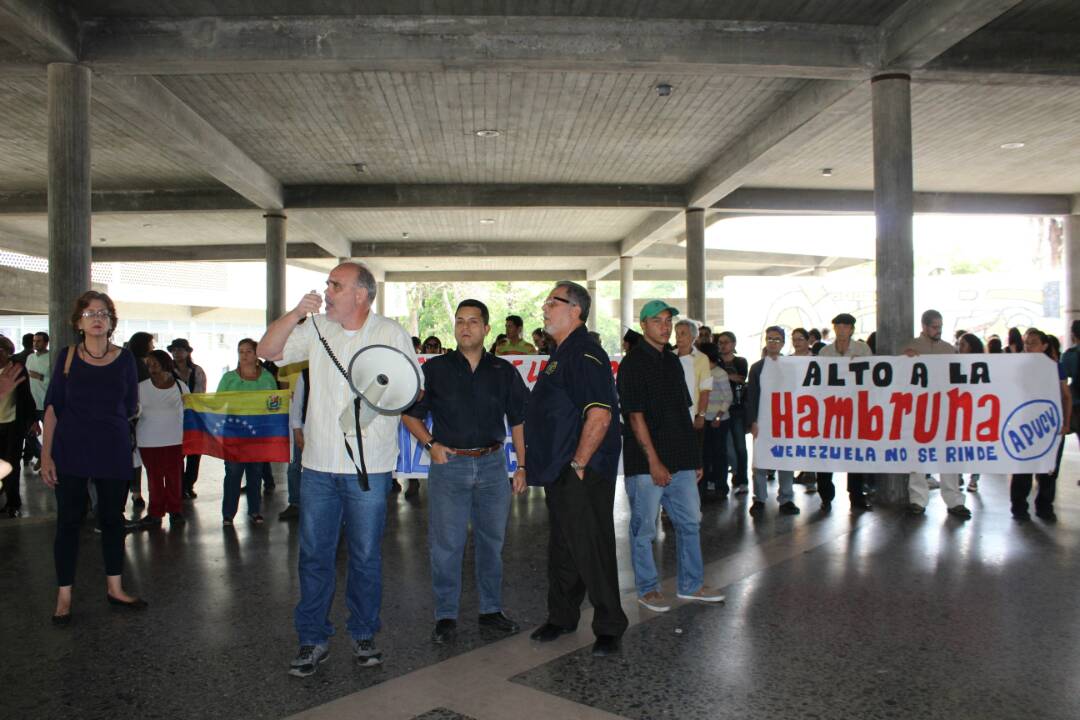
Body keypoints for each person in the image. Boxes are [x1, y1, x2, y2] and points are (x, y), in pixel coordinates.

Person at [258, 262, 421, 677]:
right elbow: (268, 351)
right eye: (328, 284)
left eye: (336, 285)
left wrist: (379, 393)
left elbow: (415, 388)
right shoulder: (316, 329)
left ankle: (364, 632)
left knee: (365, 555)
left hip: (370, 467)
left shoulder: (390, 333)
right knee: (314, 555)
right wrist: (296, 313)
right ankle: (312, 638)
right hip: (317, 467)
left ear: (361, 295)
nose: (326, 291)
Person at [402, 299, 528, 644]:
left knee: (492, 543)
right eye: (459, 321)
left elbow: (518, 419)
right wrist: (430, 445)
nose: (465, 327)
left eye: (473, 321)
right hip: (450, 467)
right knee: (446, 546)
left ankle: (490, 610)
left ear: (487, 329)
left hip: (492, 467)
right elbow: (409, 413)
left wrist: (522, 465)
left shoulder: (504, 371)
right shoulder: (436, 369)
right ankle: (445, 616)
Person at [525, 281, 627, 657]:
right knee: (564, 548)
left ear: (575, 311)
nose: (545, 307)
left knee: (591, 546)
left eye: (553, 301)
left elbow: (599, 415)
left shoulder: (585, 353)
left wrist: (580, 462)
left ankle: (610, 626)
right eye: (547, 301)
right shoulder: (562, 353)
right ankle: (562, 616)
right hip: (562, 471)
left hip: (580, 470)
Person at [40, 291, 146, 624]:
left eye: (103, 313)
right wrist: (46, 456)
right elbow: (53, 407)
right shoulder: (67, 357)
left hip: (112, 449)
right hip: (70, 450)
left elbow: (131, 405)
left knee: (113, 519)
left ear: (112, 321)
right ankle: (64, 594)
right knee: (68, 522)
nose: (97, 318)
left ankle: (115, 587)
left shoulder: (126, 359)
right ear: (78, 322)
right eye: (89, 313)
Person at [617, 300, 726, 614]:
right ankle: (648, 589)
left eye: (668, 321)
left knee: (690, 523)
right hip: (647, 463)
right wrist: (653, 461)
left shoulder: (673, 362)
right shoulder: (633, 364)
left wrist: (694, 459)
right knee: (644, 529)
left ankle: (691, 584)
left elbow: (683, 413)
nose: (665, 327)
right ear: (644, 325)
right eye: (657, 321)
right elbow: (634, 416)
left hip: (680, 459)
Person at [902, 310, 971, 520]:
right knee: (918, 455)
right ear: (924, 326)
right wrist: (905, 360)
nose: (938, 330)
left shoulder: (948, 350)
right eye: (934, 327)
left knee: (949, 455)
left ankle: (955, 500)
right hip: (919, 409)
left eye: (940, 327)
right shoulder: (910, 348)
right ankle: (918, 499)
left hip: (944, 408)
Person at [216, 338, 278, 525]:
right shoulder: (229, 378)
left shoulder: (267, 378)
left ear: (256, 353)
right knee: (233, 473)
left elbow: (274, 404)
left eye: (248, 351)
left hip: (258, 435)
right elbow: (218, 403)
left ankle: (255, 510)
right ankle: (228, 514)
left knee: (256, 473)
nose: (244, 355)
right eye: (240, 351)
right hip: (234, 434)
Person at [1010, 328, 1070, 522]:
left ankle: (1045, 506)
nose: (1028, 346)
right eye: (1026, 342)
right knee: (1022, 469)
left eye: (1033, 342)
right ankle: (1019, 507)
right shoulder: (1017, 366)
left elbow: (1065, 396)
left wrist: (1066, 423)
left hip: (1049, 425)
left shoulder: (1055, 367)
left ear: (1044, 346)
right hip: (1024, 422)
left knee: (1048, 469)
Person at [817, 314, 873, 512]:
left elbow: (871, 376)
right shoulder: (825, 352)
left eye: (845, 327)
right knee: (825, 454)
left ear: (851, 329)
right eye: (838, 327)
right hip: (830, 409)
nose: (841, 330)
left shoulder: (862, 349)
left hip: (855, 408)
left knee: (855, 454)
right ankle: (825, 495)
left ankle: (856, 495)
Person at [746, 326, 801, 517]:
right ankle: (759, 499)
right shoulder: (757, 368)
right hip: (763, 421)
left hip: (785, 421)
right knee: (760, 461)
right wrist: (752, 421)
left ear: (783, 343)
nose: (773, 343)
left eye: (777, 340)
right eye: (769, 339)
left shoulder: (792, 366)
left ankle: (786, 498)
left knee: (785, 460)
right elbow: (751, 396)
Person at [134, 350, 188, 529]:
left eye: (155, 363)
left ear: (165, 363)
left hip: (175, 439)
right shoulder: (140, 387)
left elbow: (190, 410)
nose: (151, 366)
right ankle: (155, 513)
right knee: (154, 478)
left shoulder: (180, 386)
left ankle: (175, 510)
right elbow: (132, 411)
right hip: (148, 440)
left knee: (174, 477)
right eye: (148, 363)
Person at [0, 335, 40, 517]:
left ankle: (13, 502)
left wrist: (33, 420)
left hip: (12, 425)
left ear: (8, 352)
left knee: (11, 463)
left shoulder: (17, 369)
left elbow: (26, 396)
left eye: (2, 351)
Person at [168, 339, 206, 499]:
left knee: (194, 453)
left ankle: (188, 484)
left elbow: (200, 393)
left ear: (188, 352)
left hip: (194, 416)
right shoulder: (167, 371)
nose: (177, 353)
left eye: (181, 350)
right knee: (176, 453)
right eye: (174, 350)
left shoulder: (197, 370)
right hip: (173, 418)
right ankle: (178, 486)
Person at [715, 331, 749, 494]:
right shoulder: (717, 362)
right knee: (726, 447)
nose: (723, 345)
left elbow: (741, 378)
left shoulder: (740, 361)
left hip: (737, 408)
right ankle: (733, 474)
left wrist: (723, 376)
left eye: (726, 342)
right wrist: (729, 377)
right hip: (720, 408)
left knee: (740, 446)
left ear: (734, 344)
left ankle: (742, 479)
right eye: (720, 342)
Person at [698, 342, 732, 500]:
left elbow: (728, 397)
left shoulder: (720, 373)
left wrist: (718, 416)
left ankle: (721, 486)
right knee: (704, 454)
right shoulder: (700, 372)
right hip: (703, 418)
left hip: (719, 420)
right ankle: (703, 485)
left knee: (719, 454)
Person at [279, 366, 309, 521]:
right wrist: (297, 429)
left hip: (331, 432)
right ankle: (295, 503)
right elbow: (297, 404)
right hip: (306, 428)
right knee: (295, 466)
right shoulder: (305, 374)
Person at [23, 331, 50, 472]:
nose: (35, 343)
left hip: (46, 403)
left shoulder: (52, 357)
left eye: (39, 341)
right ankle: (42, 456)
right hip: (32, 404)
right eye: (34, 341)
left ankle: (49, 461)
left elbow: (56, 381)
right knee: (28, 434)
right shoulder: (30, 358)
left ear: (46, 342)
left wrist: (40, 377)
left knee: (50, 435)